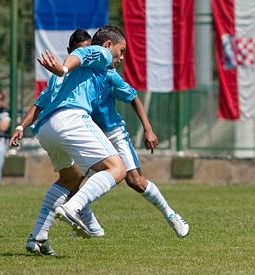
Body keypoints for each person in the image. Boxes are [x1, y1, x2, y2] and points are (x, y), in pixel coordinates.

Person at [10, 25, 128, 255]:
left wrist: (20, 126)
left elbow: (40, 103)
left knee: (70, 177)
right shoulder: (101, 53)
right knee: (117, 169)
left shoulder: (64, 78)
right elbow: (84, 53)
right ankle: (74, 207)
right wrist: (64, 67)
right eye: (121, 51)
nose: (122, 57)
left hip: (46, 128)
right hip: (70, 119)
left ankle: (38, 237)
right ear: (108, 46)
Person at [67, 30, 189, 239]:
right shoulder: (78, 72)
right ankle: (90, 227)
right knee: (73, 180)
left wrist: (148, 129)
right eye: (121, 51)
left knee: (135, 181)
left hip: (113, 133)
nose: (122, 57)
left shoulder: (109, 75)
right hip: (88, 132)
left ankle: (171, 215)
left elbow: (133, 98)